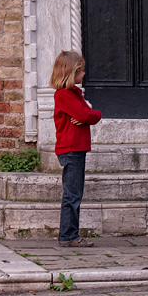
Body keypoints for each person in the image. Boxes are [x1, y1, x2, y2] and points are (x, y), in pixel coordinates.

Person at [51, 50, 102, 248]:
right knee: (72, 194)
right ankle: (68, 235)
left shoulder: (74, 94)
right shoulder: (64, 95)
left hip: (77, 148)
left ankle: (70, 233)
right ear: (73, 72)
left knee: (75, 193)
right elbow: (85, 115)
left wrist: (91, 114)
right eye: (82, 71)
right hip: (70, 149)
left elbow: (90, 114)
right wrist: (89, 115)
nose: (84, 75)